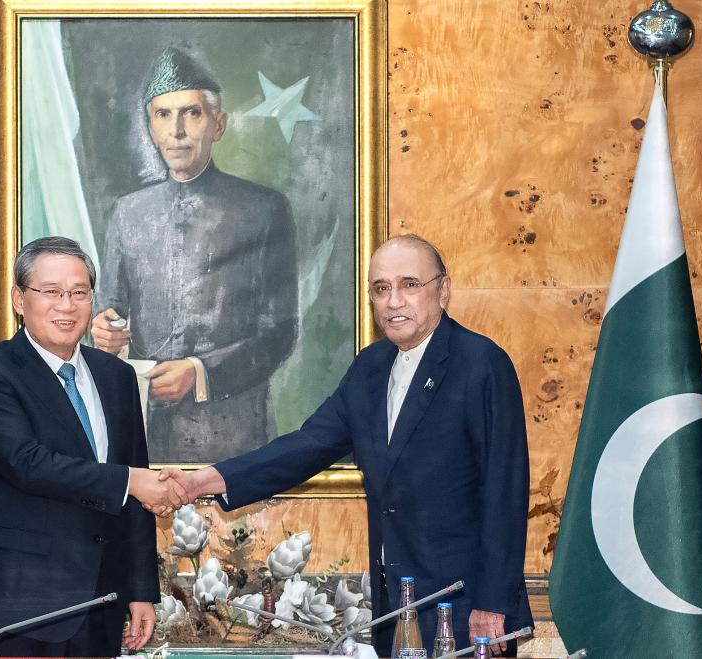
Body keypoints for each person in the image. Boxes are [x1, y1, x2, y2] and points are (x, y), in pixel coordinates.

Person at [161, 235, 533, 656]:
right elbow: (307, 445)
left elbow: (505, 490)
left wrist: (494, 603)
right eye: (381, 288)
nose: (394, 301)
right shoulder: (370, 368)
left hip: (464, 608)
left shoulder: (481, 363)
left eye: (410, 284)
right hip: (396, 606)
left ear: (443, 290)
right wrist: (202, 481)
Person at [0, 236, 186, 657]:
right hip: (20, 605)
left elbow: (134, 484)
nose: (67, 305)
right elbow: (26, 464)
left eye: (79, 293)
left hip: (101, 603)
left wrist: (140, 590)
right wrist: (130, 481)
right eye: (51, 291)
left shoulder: (116, 377)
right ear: (20, 299)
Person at [91, 47, 298, 463]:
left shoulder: (264, 209)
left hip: (235, 439)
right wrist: (102, 330)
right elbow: (110, 308)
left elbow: (279, 333)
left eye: (192, 113)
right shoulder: (127, 213)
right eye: (163, 115)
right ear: (150, 127)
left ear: (218, 124)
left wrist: (201, 373)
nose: (177, 131)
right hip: (143, 432)